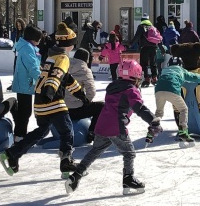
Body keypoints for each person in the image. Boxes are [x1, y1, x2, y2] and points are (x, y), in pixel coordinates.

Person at [0, 22, 89, 177]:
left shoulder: (51, 55)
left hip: (40, 101)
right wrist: (51, 90)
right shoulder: (63, 57)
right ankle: (66, 163)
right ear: (71, 44)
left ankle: (12, 153)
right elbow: (58, 75)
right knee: (67, 131)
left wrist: (80, 94)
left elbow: (66, 79)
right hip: (52, 99)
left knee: (41, 131)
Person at [64, 59, 162, 195]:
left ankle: (76, 175)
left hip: (102, 124)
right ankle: (128, 179)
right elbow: (139, 108)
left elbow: (118, 106)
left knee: (95, 151)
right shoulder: (131, 90)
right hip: (116, 127)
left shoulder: (112, 87)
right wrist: (153, 120)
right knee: (129, 153)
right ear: (136, 75)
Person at [153, 60, 200, 144]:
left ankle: (154, 127)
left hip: (158, 91)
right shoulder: (181, 70)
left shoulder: (164, 70)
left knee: (159, 111)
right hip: (172, 90)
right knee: (183, 109)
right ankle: (183, 132)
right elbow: (193, 77)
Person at [66, 48, 105, 143]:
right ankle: (92, 132)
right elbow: (91, 91)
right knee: (101, 107)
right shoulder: (85, 70)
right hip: (75, 110)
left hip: (61, 110)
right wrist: (87, 101)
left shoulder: (64, 66)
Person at [12, 25, 42, 142]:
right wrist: (41, 79)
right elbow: (32, 67)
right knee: (25, 111)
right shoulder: (27, 49)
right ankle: (19, 135)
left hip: (25, 83)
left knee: (24, 111)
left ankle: (20, 134)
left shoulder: (27, 47)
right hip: (25, 83)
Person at [129, 13, 165, 87]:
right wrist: (162, 49)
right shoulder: (153, 27)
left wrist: (130, 45)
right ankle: (154, 78)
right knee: (153, 63)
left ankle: (147, 78)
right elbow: (158, 38)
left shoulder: (141, 26)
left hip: (144, 47)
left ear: (142, 19)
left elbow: (137, 37)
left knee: (144, 64)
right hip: (154, 48)